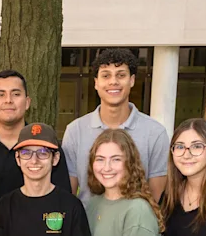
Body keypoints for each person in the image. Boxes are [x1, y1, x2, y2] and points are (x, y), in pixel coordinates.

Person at [62, 48, 169, 203]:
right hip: (86, 224)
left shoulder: (155, 132)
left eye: (121, 75)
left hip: (134, 225)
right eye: (106, 75)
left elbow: (156, 197)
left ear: (131, 80)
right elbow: (68, 195)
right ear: (96, 83)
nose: (113, 81)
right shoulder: (75, 131)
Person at [0, 69, 72, 203]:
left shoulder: (47, 148)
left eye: (16, 94)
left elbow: (63, 200)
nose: (8, 100)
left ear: (27, 102)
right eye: (1, 95)